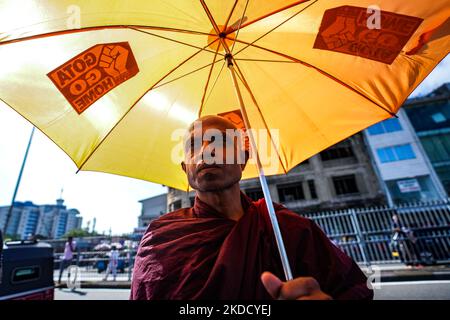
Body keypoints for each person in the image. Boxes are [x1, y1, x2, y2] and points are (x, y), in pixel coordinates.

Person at [131, 115, 373, 300]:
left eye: (220, 141)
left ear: (243, 161)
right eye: (194, 146)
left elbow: (353, 289)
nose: (207, 150)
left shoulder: (286, 228)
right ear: (186, 169)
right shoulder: (161, 237)